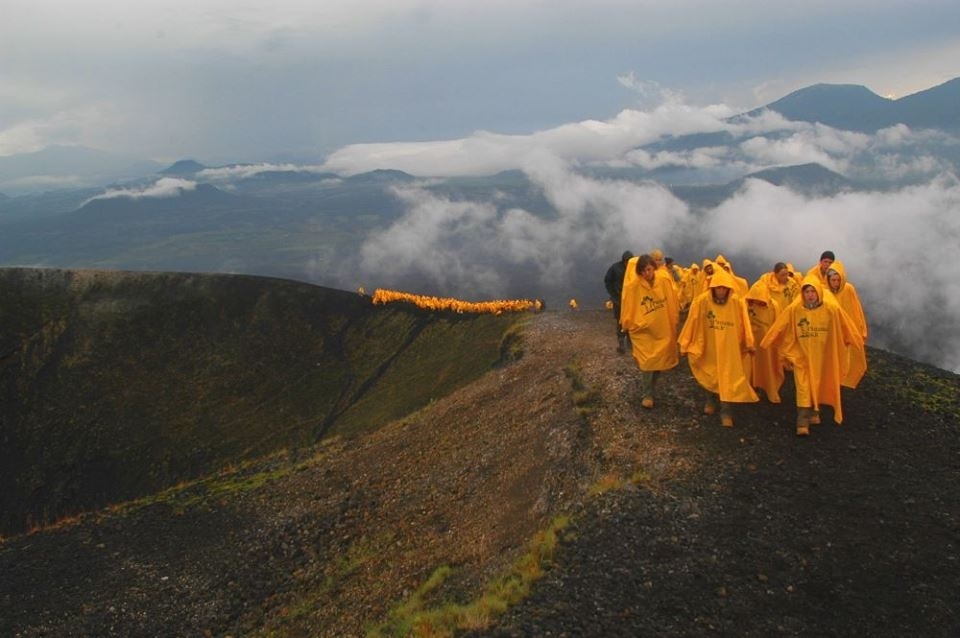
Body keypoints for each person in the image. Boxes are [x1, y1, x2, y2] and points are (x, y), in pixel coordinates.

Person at [760, 274, 862, 436]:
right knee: (803, 387)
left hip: (823, 357)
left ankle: (814, 413)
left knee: (819, 385)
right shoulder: (795, 309)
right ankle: (802, 421)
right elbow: (780, 325)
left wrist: (856, 341)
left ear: (818, 293)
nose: (810, 295)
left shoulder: (831, 309)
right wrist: (766, 342)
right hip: (801, 357)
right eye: (806, 292)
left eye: (812, 292)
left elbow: (846, 325)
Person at [678, 267, 758, 427]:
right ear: (712, 288)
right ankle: (709, 401)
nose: (721, 291)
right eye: (718, 288)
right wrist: (685, 344)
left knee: (727, 378)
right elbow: (692, 321)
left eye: (724, 288)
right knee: (710, 373)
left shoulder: (737, 302)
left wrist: (749, 343)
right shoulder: (702, 301)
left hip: (729, 348)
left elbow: (745, 324)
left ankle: (726, 412)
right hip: (710, 345)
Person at [620, 253, 680, 409]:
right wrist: (629, 324)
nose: (647, 274)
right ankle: (647, 394)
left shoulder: (663, 281)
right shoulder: (634, 287)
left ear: (653, 268)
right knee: (647, 362)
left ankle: (651, 389)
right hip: (644, 331)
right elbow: (629, 307)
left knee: (658, 361)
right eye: (643, 271)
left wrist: (673, 321)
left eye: (649, 270)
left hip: (661, 329)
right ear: (639, 272)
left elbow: (671, 302)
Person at [824, 261, 868, 387]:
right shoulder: (825, 292)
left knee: (847, 357)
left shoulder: (848, 289)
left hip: (846, 330)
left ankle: (843, 380)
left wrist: (858, 330)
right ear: (828, 279)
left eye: (838, 280)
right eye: (833, 280)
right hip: (831, 330)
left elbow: (856, 310)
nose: (836, 283)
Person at [744, 278, 784, 402]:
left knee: (767, 366)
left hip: (767, 344)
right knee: (749, 366)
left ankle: (767, 388)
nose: (757, 302)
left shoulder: (774, 306)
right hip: (751, 342)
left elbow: (778, 326)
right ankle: (750, 388)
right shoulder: (745, 304)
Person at [604, 250, 634, 353]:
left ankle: (631, 344)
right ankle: (621, 344)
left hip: (632, 300)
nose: (628, 263)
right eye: (627, 261)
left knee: (632, 321)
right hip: (619, 300)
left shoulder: (634, 268)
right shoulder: (615, 268)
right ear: (624, 261)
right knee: (620, 322)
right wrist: (613, 295)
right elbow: (607, 281)